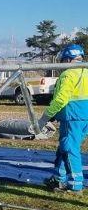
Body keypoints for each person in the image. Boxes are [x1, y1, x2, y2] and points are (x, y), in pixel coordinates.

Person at [35, 44, 86, 193]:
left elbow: (61, 99)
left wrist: (46, 117)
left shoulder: (69, 74)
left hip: (72, 117)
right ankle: (58, 178)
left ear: (68, 59)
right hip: (83, 118)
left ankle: (76, 184)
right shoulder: (86, 72)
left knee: (69, 149)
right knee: (65, 147)